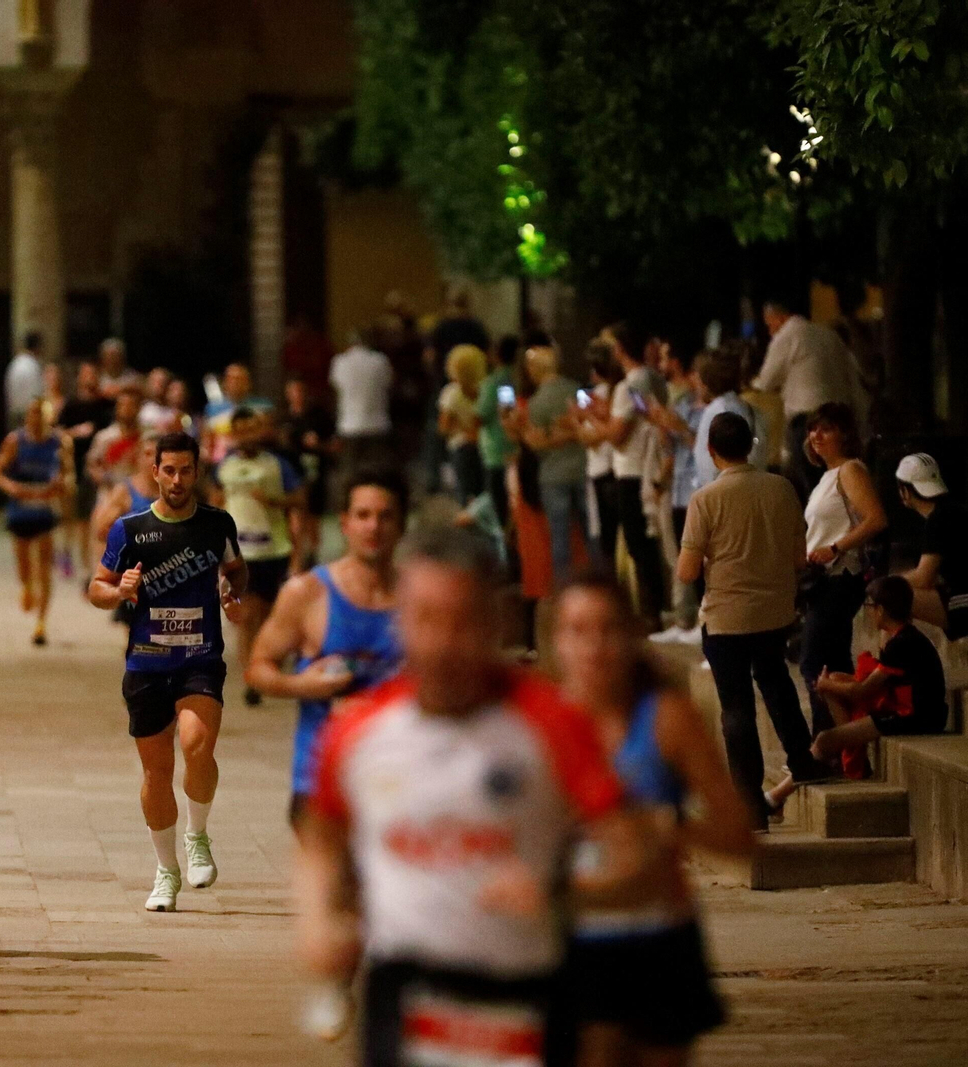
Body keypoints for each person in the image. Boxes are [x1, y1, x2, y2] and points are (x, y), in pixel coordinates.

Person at [294, 523, 648, 1067]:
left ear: (495, 622)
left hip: (525, 994)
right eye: (426, 619)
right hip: (403, 992)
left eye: (462, 621)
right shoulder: (357, 733)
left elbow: (633, 848)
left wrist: (568, 889)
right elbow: (320, 839)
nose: (444, 642)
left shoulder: (552, 724)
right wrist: (320, 921)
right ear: (399, 620)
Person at [553, 573, 755, 1067]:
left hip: (658, 936)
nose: (594, 647)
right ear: (557, 641)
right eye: (578, 630)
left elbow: (740, 836)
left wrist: (666, 827)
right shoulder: (539, 724)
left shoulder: (668, 719)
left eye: (607, 629)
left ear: (631, 636)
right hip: (574, 937)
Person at [88, 432, 248, 913]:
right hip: (147, 663)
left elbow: (236, 570)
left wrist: (232, 593)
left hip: (200, 657)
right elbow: (97, 587)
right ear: (154, 471)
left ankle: (197, 834)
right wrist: (120, 592)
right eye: (169, 470)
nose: (177, 480)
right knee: (156, 773)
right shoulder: (130, 529)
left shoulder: (216, 523)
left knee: (197, 745)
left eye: (186, 470)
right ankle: (166, 870)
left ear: (197, 472)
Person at [678, 413, 828, 829]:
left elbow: (687, 571)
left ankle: (750, 805)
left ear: (711, 450)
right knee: (778, 683)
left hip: (726, 618)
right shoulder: (782, 488)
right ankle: (802, 759)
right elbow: (798, 557)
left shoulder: (705, 499)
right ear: (751, 445)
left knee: (737, 707)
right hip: (775, 613)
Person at [247, 467, 406, 828]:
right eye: (363, 515)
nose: (374, 527)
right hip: (321, 781)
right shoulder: (307, 593)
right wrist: (302, 685)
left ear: (401, 525)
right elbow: (258, 668)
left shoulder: (418, 600)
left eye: (385, 516)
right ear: (345, 523)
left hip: (397, 781)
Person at [766, 576, 949, 810]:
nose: (868, 613)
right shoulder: (900, 636)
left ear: (880, 610)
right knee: (835, 679)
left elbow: (861, 692)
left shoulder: (903, 642)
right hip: (907, 709)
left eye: (870, 606)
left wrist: (825, 686)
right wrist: (831, 683)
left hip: (917, 717)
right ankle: (851, 756)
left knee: (824, 740)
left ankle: (775, 798)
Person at [799, 402, 888, 735]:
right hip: (825, 579)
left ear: (845, 434)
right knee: (834, 660)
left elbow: (876, 519)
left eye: (826, 429)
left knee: (813, 661)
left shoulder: (849, 470)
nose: (816, 435)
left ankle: (828, 740)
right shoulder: (827, 476)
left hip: (841, 576)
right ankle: (845, 737)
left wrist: (836, 547)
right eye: (813, 429)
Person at [212, 408, 307, 707]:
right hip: (239, 552)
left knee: (264, 615)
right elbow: (215, 500)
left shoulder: (277, 465)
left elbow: (300, 499)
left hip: (273, 549)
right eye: (240, 431)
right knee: (246, 615)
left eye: (252, 429)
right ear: (233, 434)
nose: (247, 436)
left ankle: (263, 662)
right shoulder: (224, 466)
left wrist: (273, 501)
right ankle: (251, 677)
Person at [591, 323, 667, 631]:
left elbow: (618, 435)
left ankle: (652, 612)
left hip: (631, 469)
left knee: (638, 543)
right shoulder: (650, 378)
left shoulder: (628, 385)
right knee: (645, 542)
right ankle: (656, 608)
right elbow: (640, 417)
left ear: (620, 349)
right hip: (646, 465)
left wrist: (593, 422)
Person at [753, 299, 867, 500]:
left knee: (812, 483)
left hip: (808, 419)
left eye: (770, 325)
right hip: (840, 416)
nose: (770, 331)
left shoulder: (787, 335)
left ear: (779, 318)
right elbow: (852, 378)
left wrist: (753, 383)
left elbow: (766, 381)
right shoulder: (829, 335)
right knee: (838, 476)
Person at [0, 399, 73, 646]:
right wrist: (12, 487)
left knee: (45, 567)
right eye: (32, 414)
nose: (36, 419)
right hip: (20, 511)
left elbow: (68, 476)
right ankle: (26, 586)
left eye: (41, 414)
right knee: (24, 566)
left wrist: (61, 485)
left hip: (45, 509)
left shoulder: (59, 442)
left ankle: (41, 625)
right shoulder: (16, 441)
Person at [647, 347, 704, 644]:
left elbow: (701, 446)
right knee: (682, 553)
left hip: (697, 487)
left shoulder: (710, 410)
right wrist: (661, 425)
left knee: (700, 556)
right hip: (679, 488)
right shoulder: (683, 404)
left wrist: (679, 427)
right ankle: (686, 621)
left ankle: (701, 621)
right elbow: (670, 448)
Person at [521, 343, 591, 585]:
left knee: (560, 539)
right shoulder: (576, 390)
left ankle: (563, 589)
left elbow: (537, 443)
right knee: (591, 534)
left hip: (553, 475)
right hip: (583, 469)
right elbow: (588, 422)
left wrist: (547, 437)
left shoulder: (537, 402)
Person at [896, 453, 968, 640]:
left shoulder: (938, 520)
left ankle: (891, 657)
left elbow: (923, 578)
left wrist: (888, 582)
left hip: (964, 600)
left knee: (889, 596)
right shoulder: (953, 510)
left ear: (905, 491)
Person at [56, 361, 114, 583]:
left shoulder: (105, 404)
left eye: (93, 374)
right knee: (81, 520)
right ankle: (84, 565)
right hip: (77, 468)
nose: (90, 378)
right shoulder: (71, 404)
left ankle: (99, 565)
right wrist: (76, 432)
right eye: (86, 374)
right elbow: (57, 432)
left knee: (100, 519)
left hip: (102, 470)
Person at [277, 376, 336, 571]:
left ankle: (313, 559)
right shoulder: (284, 419)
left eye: (300, 391)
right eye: (293, 391)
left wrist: (319, 445)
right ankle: (295, 564)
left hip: (315, 475)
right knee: (294, 521)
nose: (297, 395)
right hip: (292, 476)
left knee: (313, 520)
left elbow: (336, 445)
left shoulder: (318, 417)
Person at [691, 346, 767, 489]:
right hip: (754, 488)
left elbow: (707, 466)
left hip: (722, 492)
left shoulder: (715, 412)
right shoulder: (754, 412)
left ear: (705, 381)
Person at [329, 330, 396, 480]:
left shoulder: (340, 361)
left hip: (349, 425)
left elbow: (335, 388)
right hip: (378, 425)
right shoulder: (380, 361)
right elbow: (390, 384)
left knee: (350, 474)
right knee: (378, 474)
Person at [580, 341, 623, 565]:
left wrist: (582, 420)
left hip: (605, 469)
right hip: (610, 468)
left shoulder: (603, 395)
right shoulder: (613, 392)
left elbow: (591, 437)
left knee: (609, 534)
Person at [91, 434, 161, 565]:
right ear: (138, 458)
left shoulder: (174, 489)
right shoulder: (124, 491)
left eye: (158, 455)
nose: (153, 460)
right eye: (148, 454)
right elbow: (101, 530)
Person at [474, 336, 520, 531]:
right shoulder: (520, 379)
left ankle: (505, 544)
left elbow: (480, 415)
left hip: (496, 452)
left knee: (501, 509)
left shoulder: (492, 382)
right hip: (519, 450)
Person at [438, 343, 486, 503]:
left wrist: (462, 429)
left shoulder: (451, 393)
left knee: (464, 494)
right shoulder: (485, 390)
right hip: (484, 445)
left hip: (461, 446)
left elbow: (443, 427)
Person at [202, 363, 272, 466]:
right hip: (222, 463)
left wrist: (237, 442)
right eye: (231, 379)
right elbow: (207, 439)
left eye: (240, 379)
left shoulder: (263, 406)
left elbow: (267, 433)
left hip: (257, 460)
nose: (235, 383)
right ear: (225, 382)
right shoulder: (212, 408)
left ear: (249, 383)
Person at [86, 383, 145, 496]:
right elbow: (92, 464)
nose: (126, 409)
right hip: (109, 495)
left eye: (131, 405)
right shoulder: (104, 437)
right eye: (122, 405)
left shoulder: (146, 437)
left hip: (138, 496)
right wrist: (101, 478)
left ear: (138, 408)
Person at [4, 331, 45, 431]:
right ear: (37, 347)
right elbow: (37, 394)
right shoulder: (32, 365)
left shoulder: (15, 363)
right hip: (27, 415)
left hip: (13, 412)